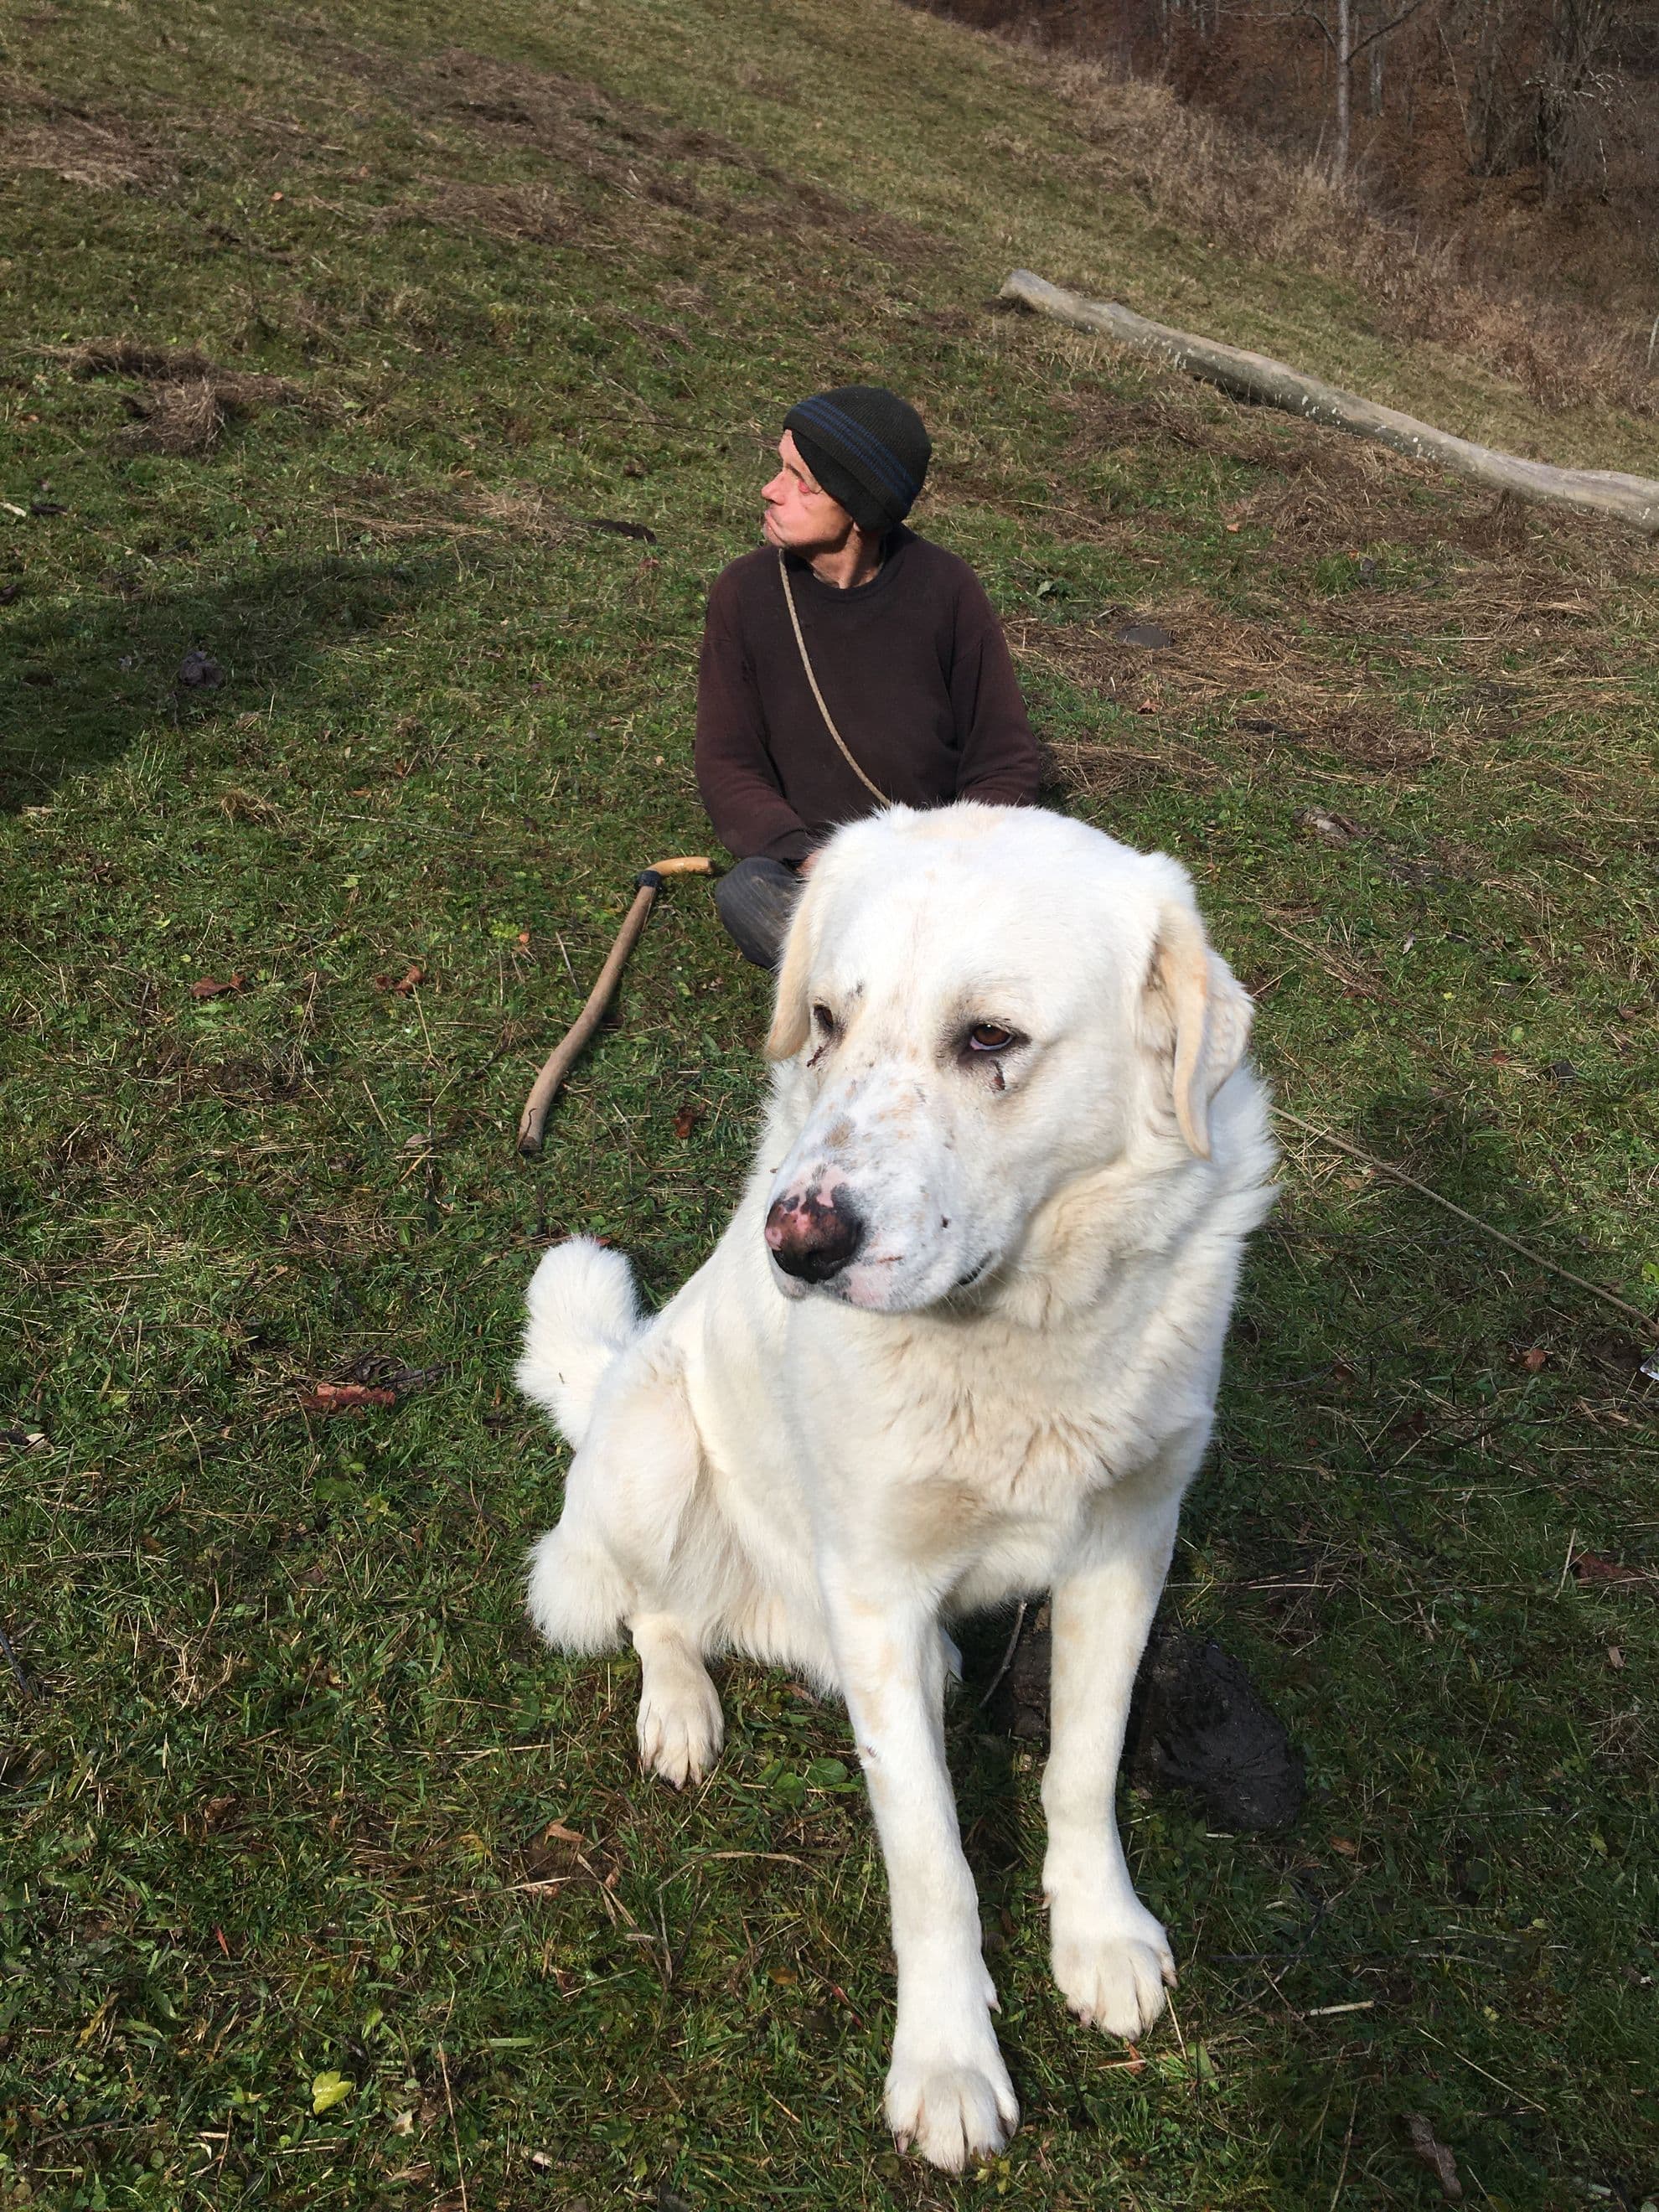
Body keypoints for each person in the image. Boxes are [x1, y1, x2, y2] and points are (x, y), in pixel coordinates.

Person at [694, 385, 1043, 968]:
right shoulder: (745, 594)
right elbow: (728, 765)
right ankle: (907, 970)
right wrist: (813, 859)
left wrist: (952, 863)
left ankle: (882, 970)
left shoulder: (946, 589)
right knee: (748, 892)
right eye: (778, 467)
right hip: (818, 875)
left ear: (857, 505)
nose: (769, 490)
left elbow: (1004, 760)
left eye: (798, 478)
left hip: (942, 870)